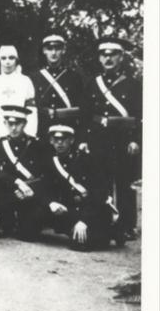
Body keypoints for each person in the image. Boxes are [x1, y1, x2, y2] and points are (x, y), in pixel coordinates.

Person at [79, 36, 142, 241]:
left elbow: (141, 115)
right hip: (99, 138)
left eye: (112, 54)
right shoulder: (92, 83)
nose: (108, 58)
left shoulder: (133, 85)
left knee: (124, 183)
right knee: (100, 181)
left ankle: (127, 225)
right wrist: (84, 139)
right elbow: (85, 115)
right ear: (99, 58)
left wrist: (136, 140)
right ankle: (104, 221)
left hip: (123, 139)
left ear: (121, 57)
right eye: (103, 54)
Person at [0, 105, 52, 240]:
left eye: (17, 124)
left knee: (27, 236)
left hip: (30, 192)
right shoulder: (0, 144)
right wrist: (16, 182)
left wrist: (31, 188)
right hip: (10, 189)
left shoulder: (37, 144)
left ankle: (24, 221)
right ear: (5, 123)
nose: (13, 128)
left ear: (24, 123)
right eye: (10, 123)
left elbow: (48, 173)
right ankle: (6, 222)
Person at [45, 124, 119, 251]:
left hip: (93, 211)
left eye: (64, 139)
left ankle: (112, 231)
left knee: (82, 244)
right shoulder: (51, 162)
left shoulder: (87, 160)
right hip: (71, 210)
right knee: (29, 229)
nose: (60, 143)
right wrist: (51, 202)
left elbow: (100, 194)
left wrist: (84, 220)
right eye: (56, 140)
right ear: (51, 141)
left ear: (72, 141)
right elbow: (45, 186)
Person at [28, 32, 84, 136]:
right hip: (43, 129)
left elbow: (81, 109)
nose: (53, 53)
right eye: (49, 49)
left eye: (57, 49)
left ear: (63, 50)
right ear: (44, 51)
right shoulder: (34, 77)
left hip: (67, 129)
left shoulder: (74, 77)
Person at [0, 45, 37, 145]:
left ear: (16, 60)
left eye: (11, 58)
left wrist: (30, 133)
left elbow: (32, 110)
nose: (7, 62)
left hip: (20, 127)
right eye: (3, 58)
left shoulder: (25, 81)